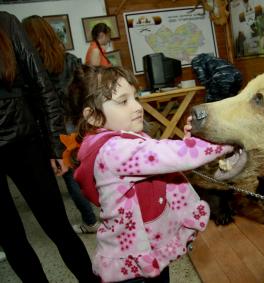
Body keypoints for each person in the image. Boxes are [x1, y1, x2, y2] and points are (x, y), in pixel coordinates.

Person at [70, 65, 234, 282]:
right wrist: (224, 140)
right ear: (94, 117)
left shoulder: (126, 139)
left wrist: (190, 144)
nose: (137, 106)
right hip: (131, 266)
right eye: (123, 101)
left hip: (149, 248)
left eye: (136, 98)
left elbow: (163, 161)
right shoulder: (113, 150)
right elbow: (173, 155)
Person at [0, 11, 99, 282]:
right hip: (28, 136)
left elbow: (41, 85)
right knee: (11, 240)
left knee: (58, 227)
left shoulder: (6, 22)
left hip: (25, 141)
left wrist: (55, 145)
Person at [22, 15, 100, 234]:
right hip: (80, 121)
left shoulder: (31, 67)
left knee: (72, 177)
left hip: (57, 127)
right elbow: (86, 88)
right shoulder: (70, 59)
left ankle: (90, 221)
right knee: (95, 169)